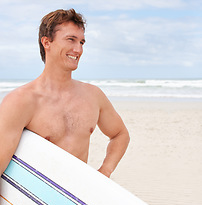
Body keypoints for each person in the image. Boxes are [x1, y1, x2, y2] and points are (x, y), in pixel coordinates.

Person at [0, 9, 130, 178]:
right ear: (47, 42)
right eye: (71, 40)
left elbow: (120, 134)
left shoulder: (93, 96)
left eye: (82, 42)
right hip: (36, 197)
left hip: (75, 196)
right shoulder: (21, 100)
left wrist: (105, 171)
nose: (78, 49)